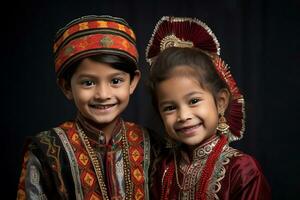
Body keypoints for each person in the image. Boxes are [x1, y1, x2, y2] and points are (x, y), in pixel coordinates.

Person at [17, 15, 155, 200]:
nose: (103, 94)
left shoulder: (151, 144)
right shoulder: (47, 150)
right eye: (88, 83)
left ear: (132, 82)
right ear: (67, 87)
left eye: (115, 81)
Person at [146, 16, 271, 200]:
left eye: (194, 101)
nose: (183, 115)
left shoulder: (241, 170)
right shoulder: (161, 169)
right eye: (170, 107)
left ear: (220, 102)